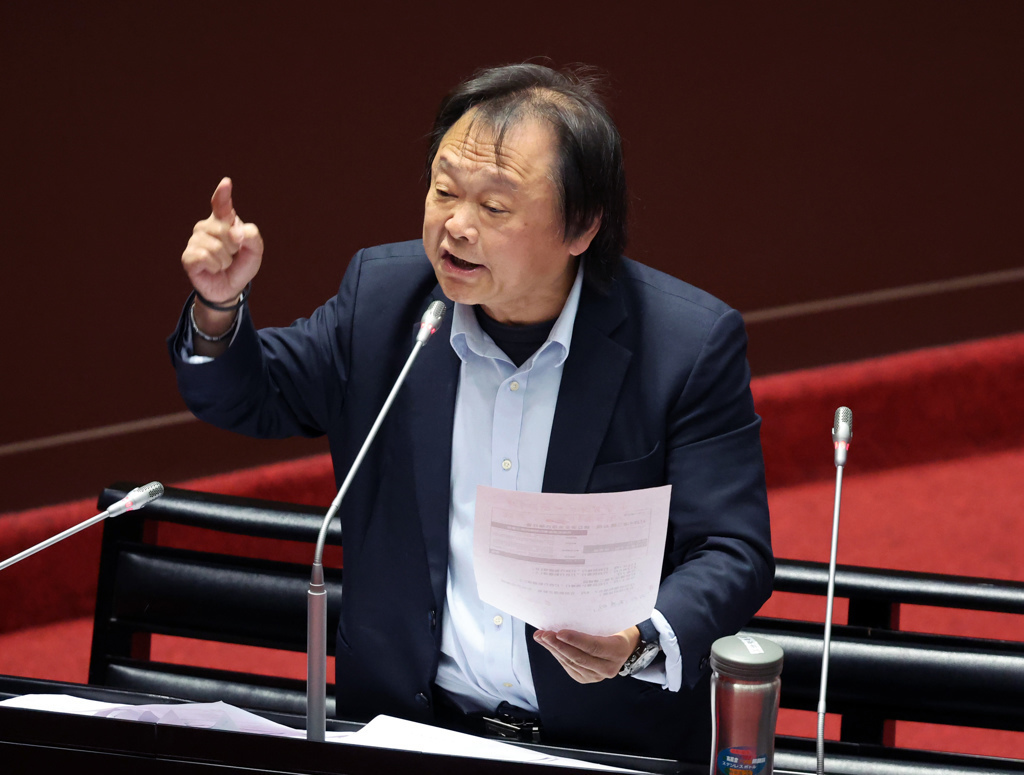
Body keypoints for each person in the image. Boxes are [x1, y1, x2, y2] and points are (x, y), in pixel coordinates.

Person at [170, 63, 773, 761]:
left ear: (581, 226)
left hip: (601, 743)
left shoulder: (684, 345)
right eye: (444, 190)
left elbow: (732, 549)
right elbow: (249, 394)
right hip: (409, 733)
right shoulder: (385, 302)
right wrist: (219, 306)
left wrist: (638, 640)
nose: (455, 226)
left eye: (494, 207)